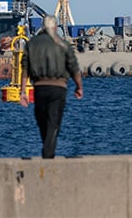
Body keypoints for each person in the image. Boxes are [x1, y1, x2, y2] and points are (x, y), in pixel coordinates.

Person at [18, 15, 83, 159]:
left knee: (41, 119)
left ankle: (47, 151)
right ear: (55, 27)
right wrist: (79, 87)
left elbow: (25, 69)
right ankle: (48, 152)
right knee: (53, 121)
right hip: (59, 87)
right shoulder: (63, 44)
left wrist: (23, 91)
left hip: (39, 87)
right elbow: (73, 66)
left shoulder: (32, 44)